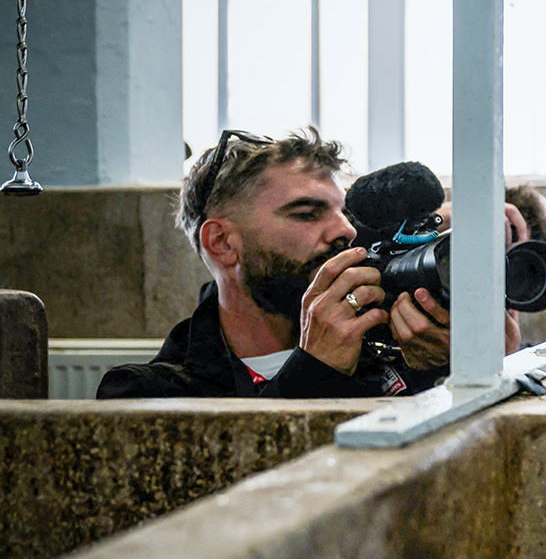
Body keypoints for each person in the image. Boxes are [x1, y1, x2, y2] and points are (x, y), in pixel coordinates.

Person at [97, 129, 457, 399]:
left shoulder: (389, 346)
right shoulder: (146, 392)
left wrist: (451, 367)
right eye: (306, 214)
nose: (346, 230)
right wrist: (314, 372)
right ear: (222, 243)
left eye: (343, 213)